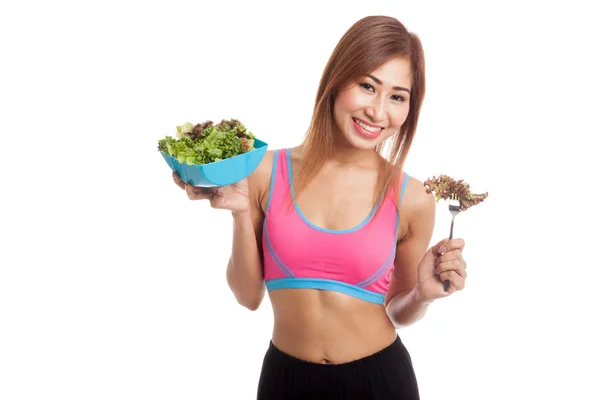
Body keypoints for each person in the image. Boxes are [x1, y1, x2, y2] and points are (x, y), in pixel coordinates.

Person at [172, 15, 468, 400]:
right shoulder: (264, 171)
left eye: (397, 96)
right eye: (367, 86)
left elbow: (397, 311)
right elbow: (248, 297)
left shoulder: (412, 197)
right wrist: (241, 212)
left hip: (380, 381)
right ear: (336, 79)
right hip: (285, 381)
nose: (378, 112)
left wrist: (423, 295)